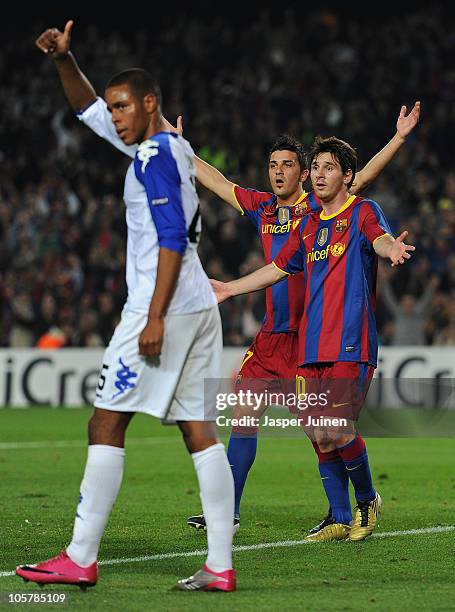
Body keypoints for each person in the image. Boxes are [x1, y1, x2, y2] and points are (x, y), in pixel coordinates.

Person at [16, 20, 236, 592]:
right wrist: (66, 60)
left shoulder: (154, 158)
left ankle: (80, 556)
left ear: (149, 103)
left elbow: (169, 238)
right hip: (199, 304)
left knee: (106, 421)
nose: (114, 117)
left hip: (159, 306)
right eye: (112, 109)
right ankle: (219, 565)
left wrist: (154, 316)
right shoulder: (168, 146)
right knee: (198, 430)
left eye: (123, 107)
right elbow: (86, 109)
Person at [209, 135, 415, 541]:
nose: (319, 175)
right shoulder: (304, 225)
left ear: (345, 176)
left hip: (350, 342)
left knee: (336, 428)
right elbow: (278, 268)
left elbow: (379, 237)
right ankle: (339, 518)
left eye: (327, 169)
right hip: (309, 345)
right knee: (321, 434)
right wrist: (231, 288)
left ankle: (368, 499)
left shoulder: (362, 212)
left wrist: (390, 248)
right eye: (316, 168)